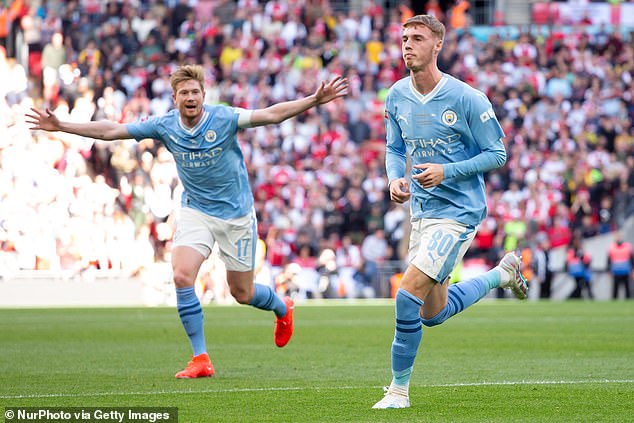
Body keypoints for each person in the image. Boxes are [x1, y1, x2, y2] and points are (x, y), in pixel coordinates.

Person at [27, 64, 348, 379]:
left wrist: (313, 100)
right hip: (196, 211)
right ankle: (200, 358)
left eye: (195, 91)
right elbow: (112, 130)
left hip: (236, 215)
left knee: (243, 293)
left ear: (203, 95)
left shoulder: (223, 117)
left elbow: (271, 114)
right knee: (181, 276)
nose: (190, 97)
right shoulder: (165, 125)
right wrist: (63, 126)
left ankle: (282, 307)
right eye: (184, 93)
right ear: (175, 98)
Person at [372, 15, 528, 410]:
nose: (407, 45)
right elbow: (394, 148)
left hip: (458, 212)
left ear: (437, 45)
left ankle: (398, 392)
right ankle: (501, 274)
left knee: (406, 293)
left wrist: (446, 172)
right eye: (404, 38)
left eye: (417, 38)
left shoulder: (467, 98)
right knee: (432, 313)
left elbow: (498, 154)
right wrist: (394, 180)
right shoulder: (396, 95)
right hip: (422, 214)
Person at [607, 233, 632, 299]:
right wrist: (609, 270)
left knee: (627, 287)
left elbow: (631, 259)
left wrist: (632, 270)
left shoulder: (627, 246)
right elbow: (609, 260)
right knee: (615, 288)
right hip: (616, 270)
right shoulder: (611, 247)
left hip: (625, 270)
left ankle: (628, 300)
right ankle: (614, 302)